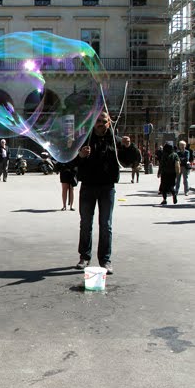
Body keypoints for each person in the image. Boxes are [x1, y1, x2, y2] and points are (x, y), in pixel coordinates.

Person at [75, 111, 120, 275]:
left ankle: (105, 260)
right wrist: (80, 156)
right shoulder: (84, 140)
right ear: (93, 123)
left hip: (107, 187)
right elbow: (70, 162)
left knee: (106, 225)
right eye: (98, 120)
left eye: (104, 120)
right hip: (88, 186)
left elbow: (130, 159)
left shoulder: (115, 141)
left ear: (109, 123)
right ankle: (84, 257)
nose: (100, 123)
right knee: (86, 224)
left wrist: (130, 147)